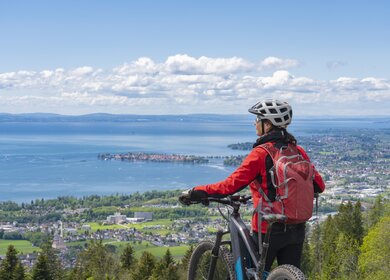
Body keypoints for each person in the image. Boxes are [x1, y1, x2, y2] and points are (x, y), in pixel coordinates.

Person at [179, 99, 325, 273]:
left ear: (268, 124)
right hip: (297, 228)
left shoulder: (261, 153)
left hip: (268, 230)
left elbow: (229, 186)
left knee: (251, 274)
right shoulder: (298, 150)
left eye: (258, 119)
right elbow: (319, 185)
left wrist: (198, 191)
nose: (254, 123)